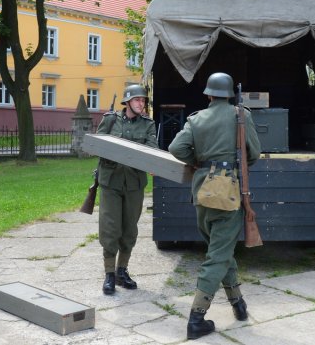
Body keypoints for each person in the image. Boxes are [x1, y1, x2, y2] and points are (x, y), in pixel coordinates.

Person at [168, 72, 261, 340]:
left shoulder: (196, 119)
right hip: (230, 193)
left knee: (219, 249)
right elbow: (253, 153)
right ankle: (196, 318)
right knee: (218, 255)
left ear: (209, 94)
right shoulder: (241, 115)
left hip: (203, 192)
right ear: (230, 94)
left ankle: (238, 305)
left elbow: (177, 148)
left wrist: (200, 162)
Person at [96, 84, 157, 295]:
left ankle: (122, 271)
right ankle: (109, 274)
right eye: (138, 100)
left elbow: (152, 149)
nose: (142, 103)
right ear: (128, 101)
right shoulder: (111, 119)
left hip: (134, 184)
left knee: (129, 229)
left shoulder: (148, 125)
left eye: (144, 101)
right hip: (111, 182)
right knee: (110, 228)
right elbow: (98, 146)